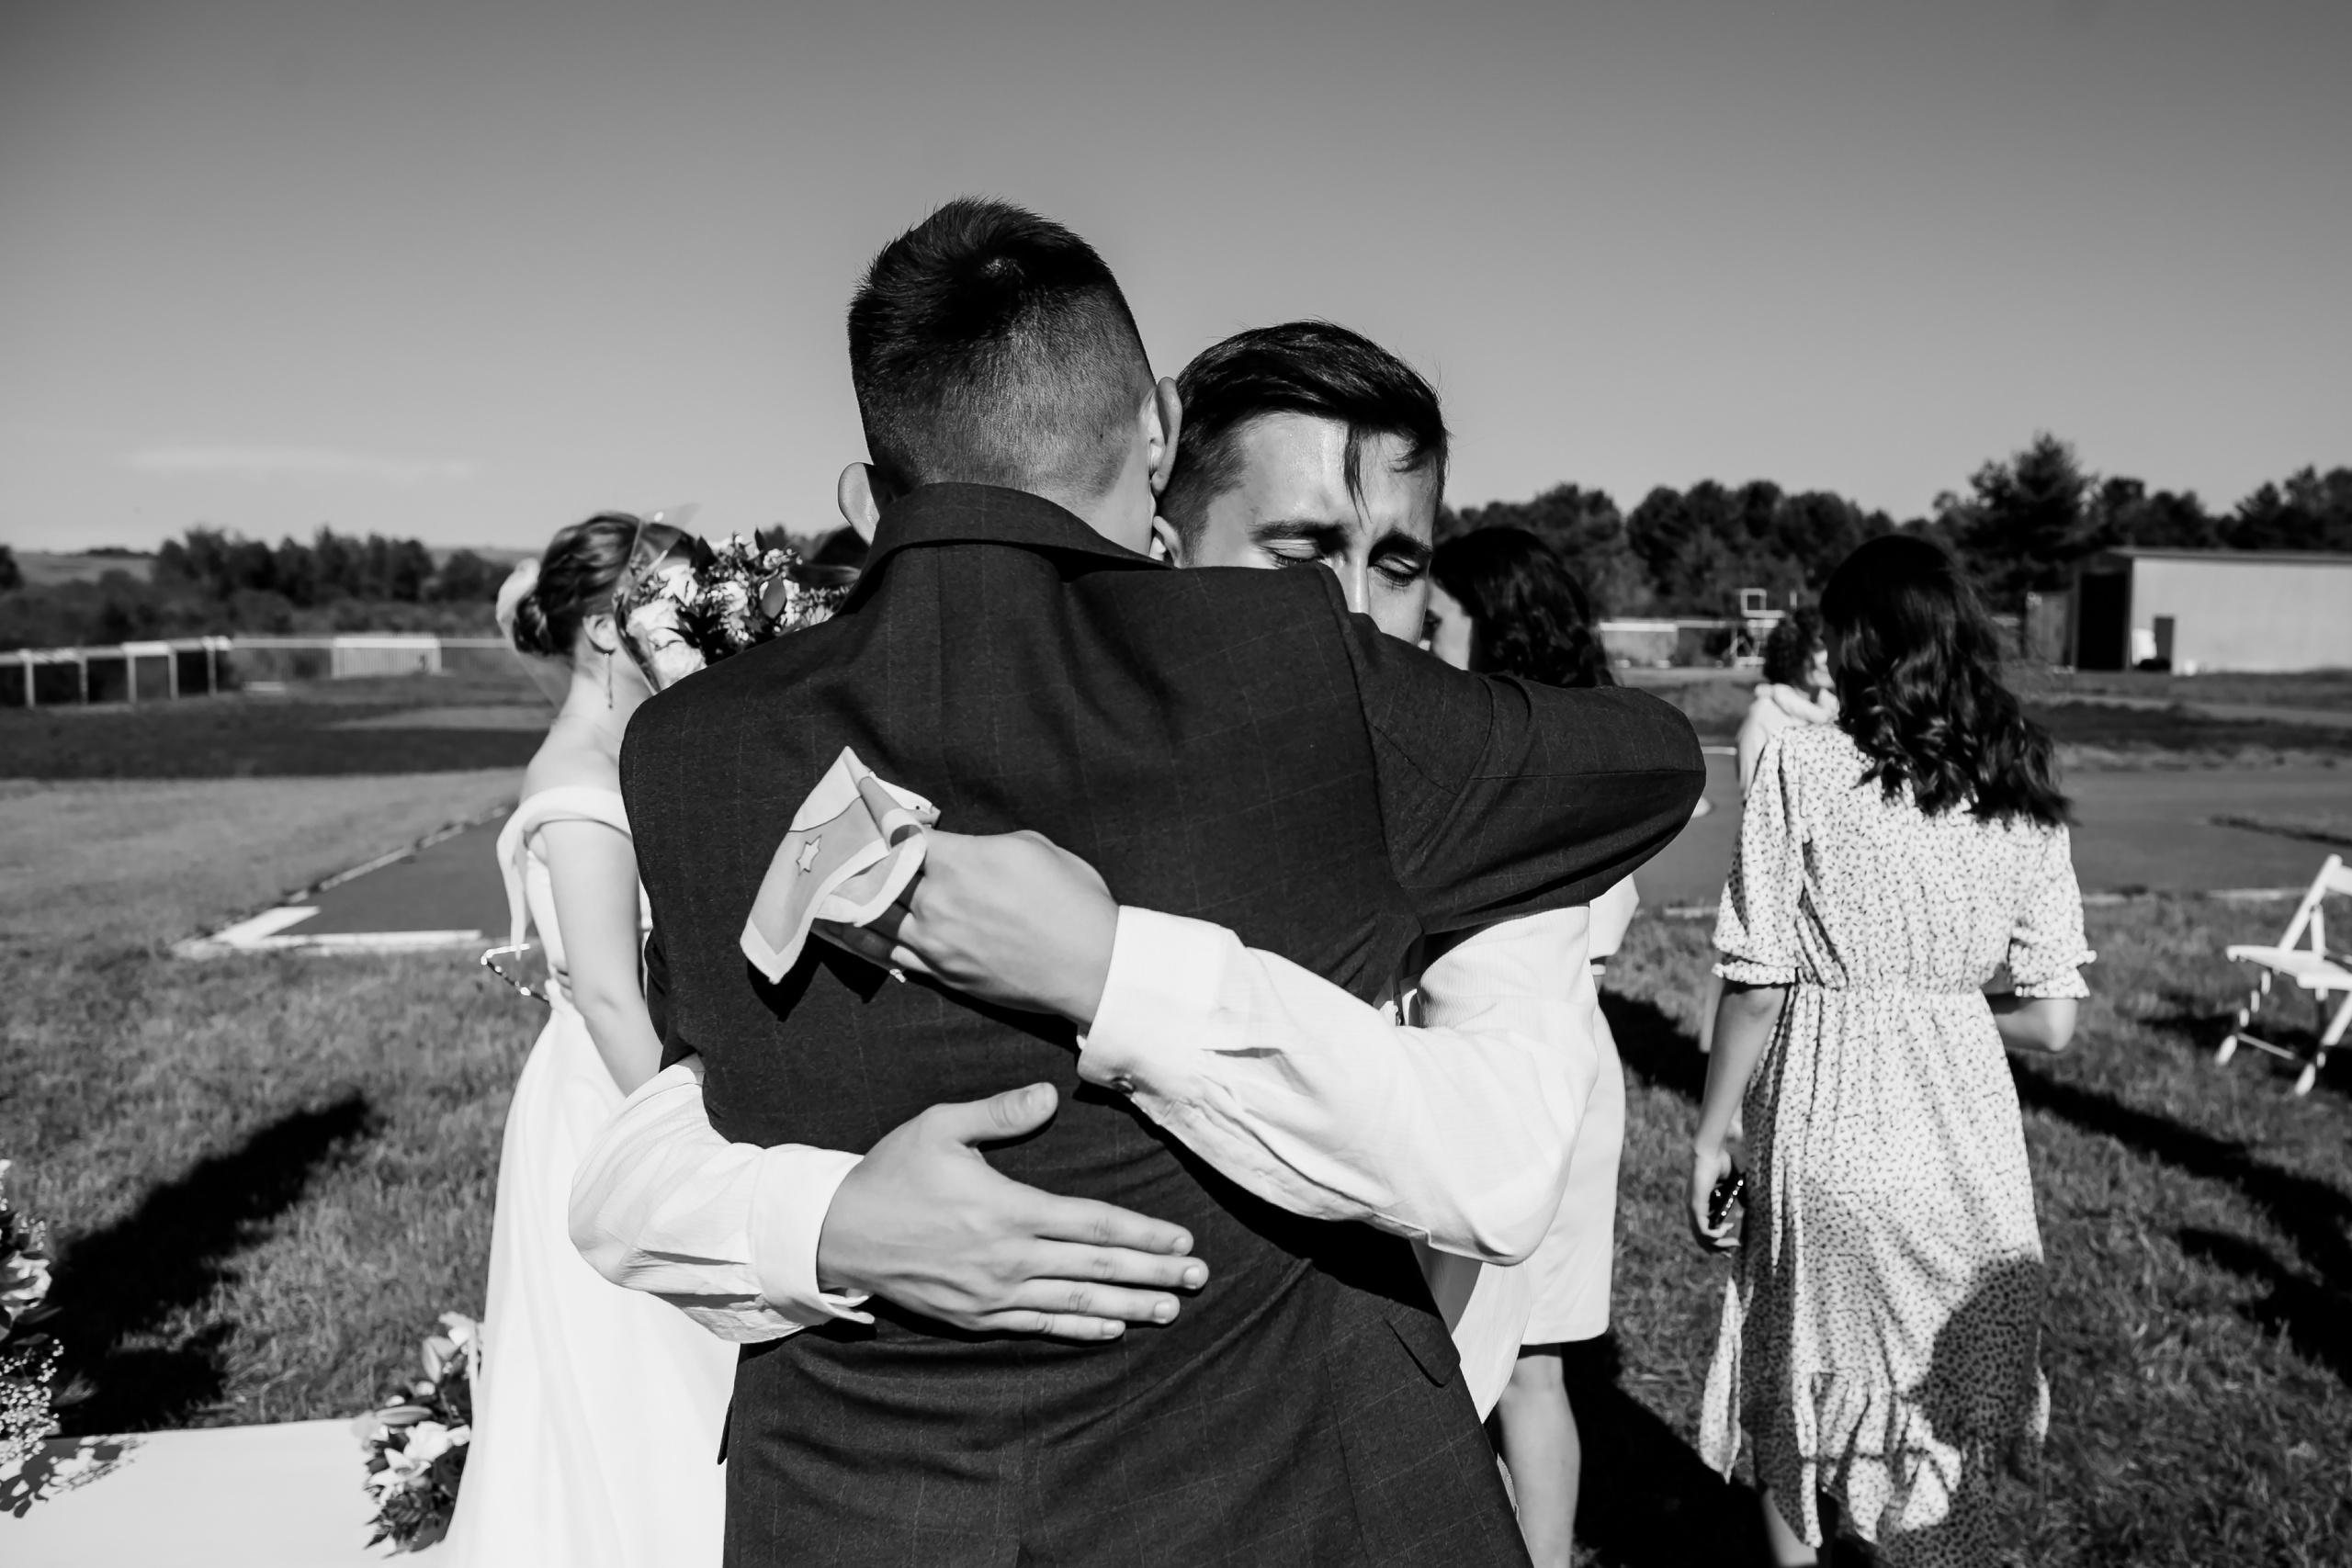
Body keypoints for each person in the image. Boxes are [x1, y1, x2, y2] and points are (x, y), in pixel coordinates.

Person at [592, 199, 1704, 1565]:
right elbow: (1653, 760)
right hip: (1272, 1503)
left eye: (1397, 562)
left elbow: (1501, 1159)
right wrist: (829, 1220)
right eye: (1302, 556)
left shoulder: (701, 744)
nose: (1349, 608)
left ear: (878, 494)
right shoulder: (1300, 693)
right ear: (1161, 448)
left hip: (861, 1506)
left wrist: (1111, 968)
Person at [1689, 533, 2091, 1567]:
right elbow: (2052, 1019)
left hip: (1825, 1134)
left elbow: (1759, 984)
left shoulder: (1802, 765)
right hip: (1969, 1162)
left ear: (1853, 644)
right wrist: (1936, 1013)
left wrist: (1708, 1131)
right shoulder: (2018, 778)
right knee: (1941, 1432)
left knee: (1796, 1400)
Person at [441, 517, 734, 1568]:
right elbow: (611, 997)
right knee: (636, 1383)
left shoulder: (624, 755)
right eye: (683, 612)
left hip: (616, 1073)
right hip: (618, 1099)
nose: (704, 633)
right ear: (612, 633)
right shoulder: (579, 783)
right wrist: (701, 1145)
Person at [1428, 526, 1635, 1568]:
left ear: (1491, 625)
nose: (1415, 636)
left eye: (1435, 618)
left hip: (1531, 1070)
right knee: (1517, 1366)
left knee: (1512, 1366)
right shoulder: (1594, 751)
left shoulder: (1530, 773)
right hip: (1564, 1070)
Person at [1736, 604, 1837, 796]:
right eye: (1817, 647)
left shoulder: (1837, 712)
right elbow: (1751, 801)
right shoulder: (1764, 717)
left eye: (1830, 644)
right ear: (1793, 653)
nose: (1826, 657)